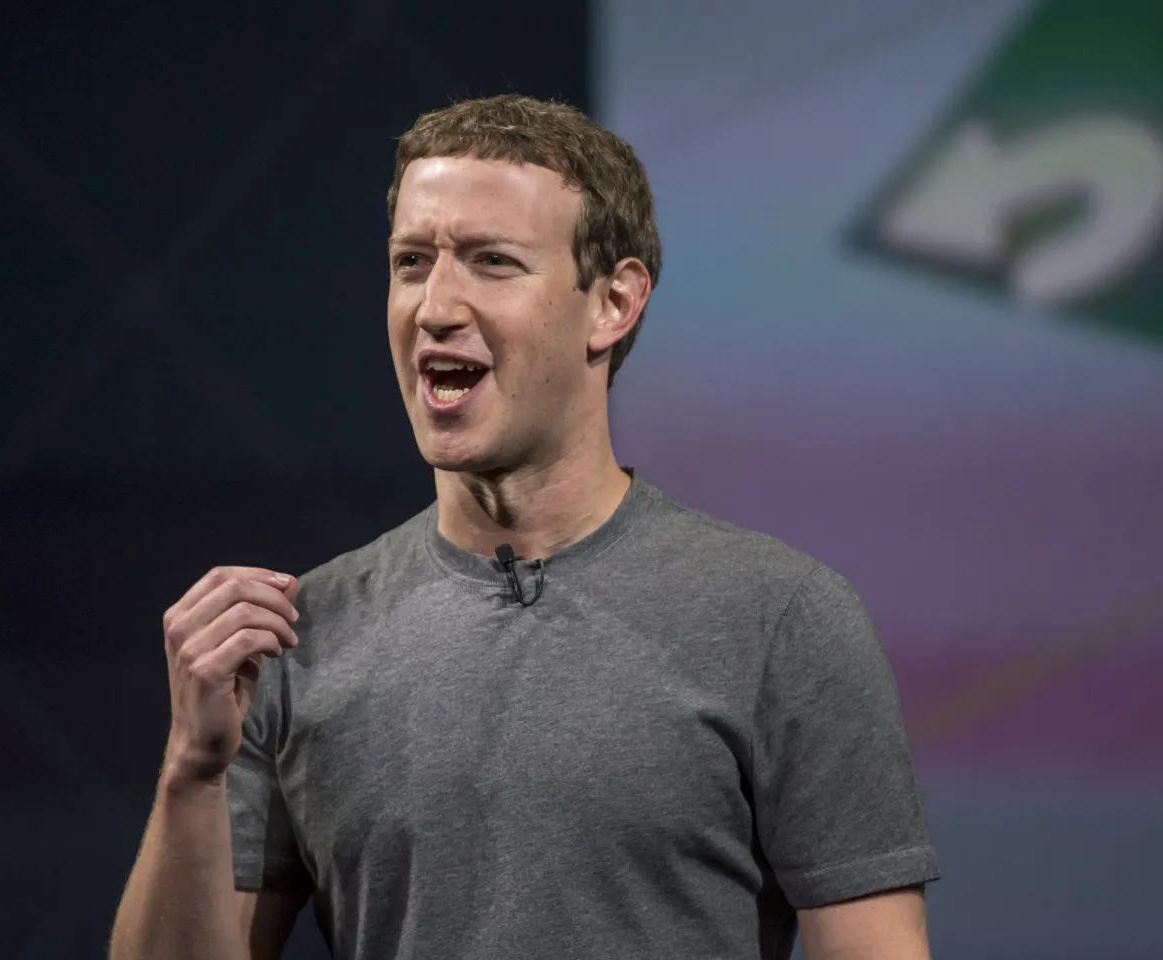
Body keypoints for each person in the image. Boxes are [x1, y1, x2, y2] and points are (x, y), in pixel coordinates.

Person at [109, 94, 940, 960]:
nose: (434, 305)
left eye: (490, 262)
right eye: (411, 262)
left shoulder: (782, 620)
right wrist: (190, 775)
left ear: (613, 302)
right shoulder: (294, 638)